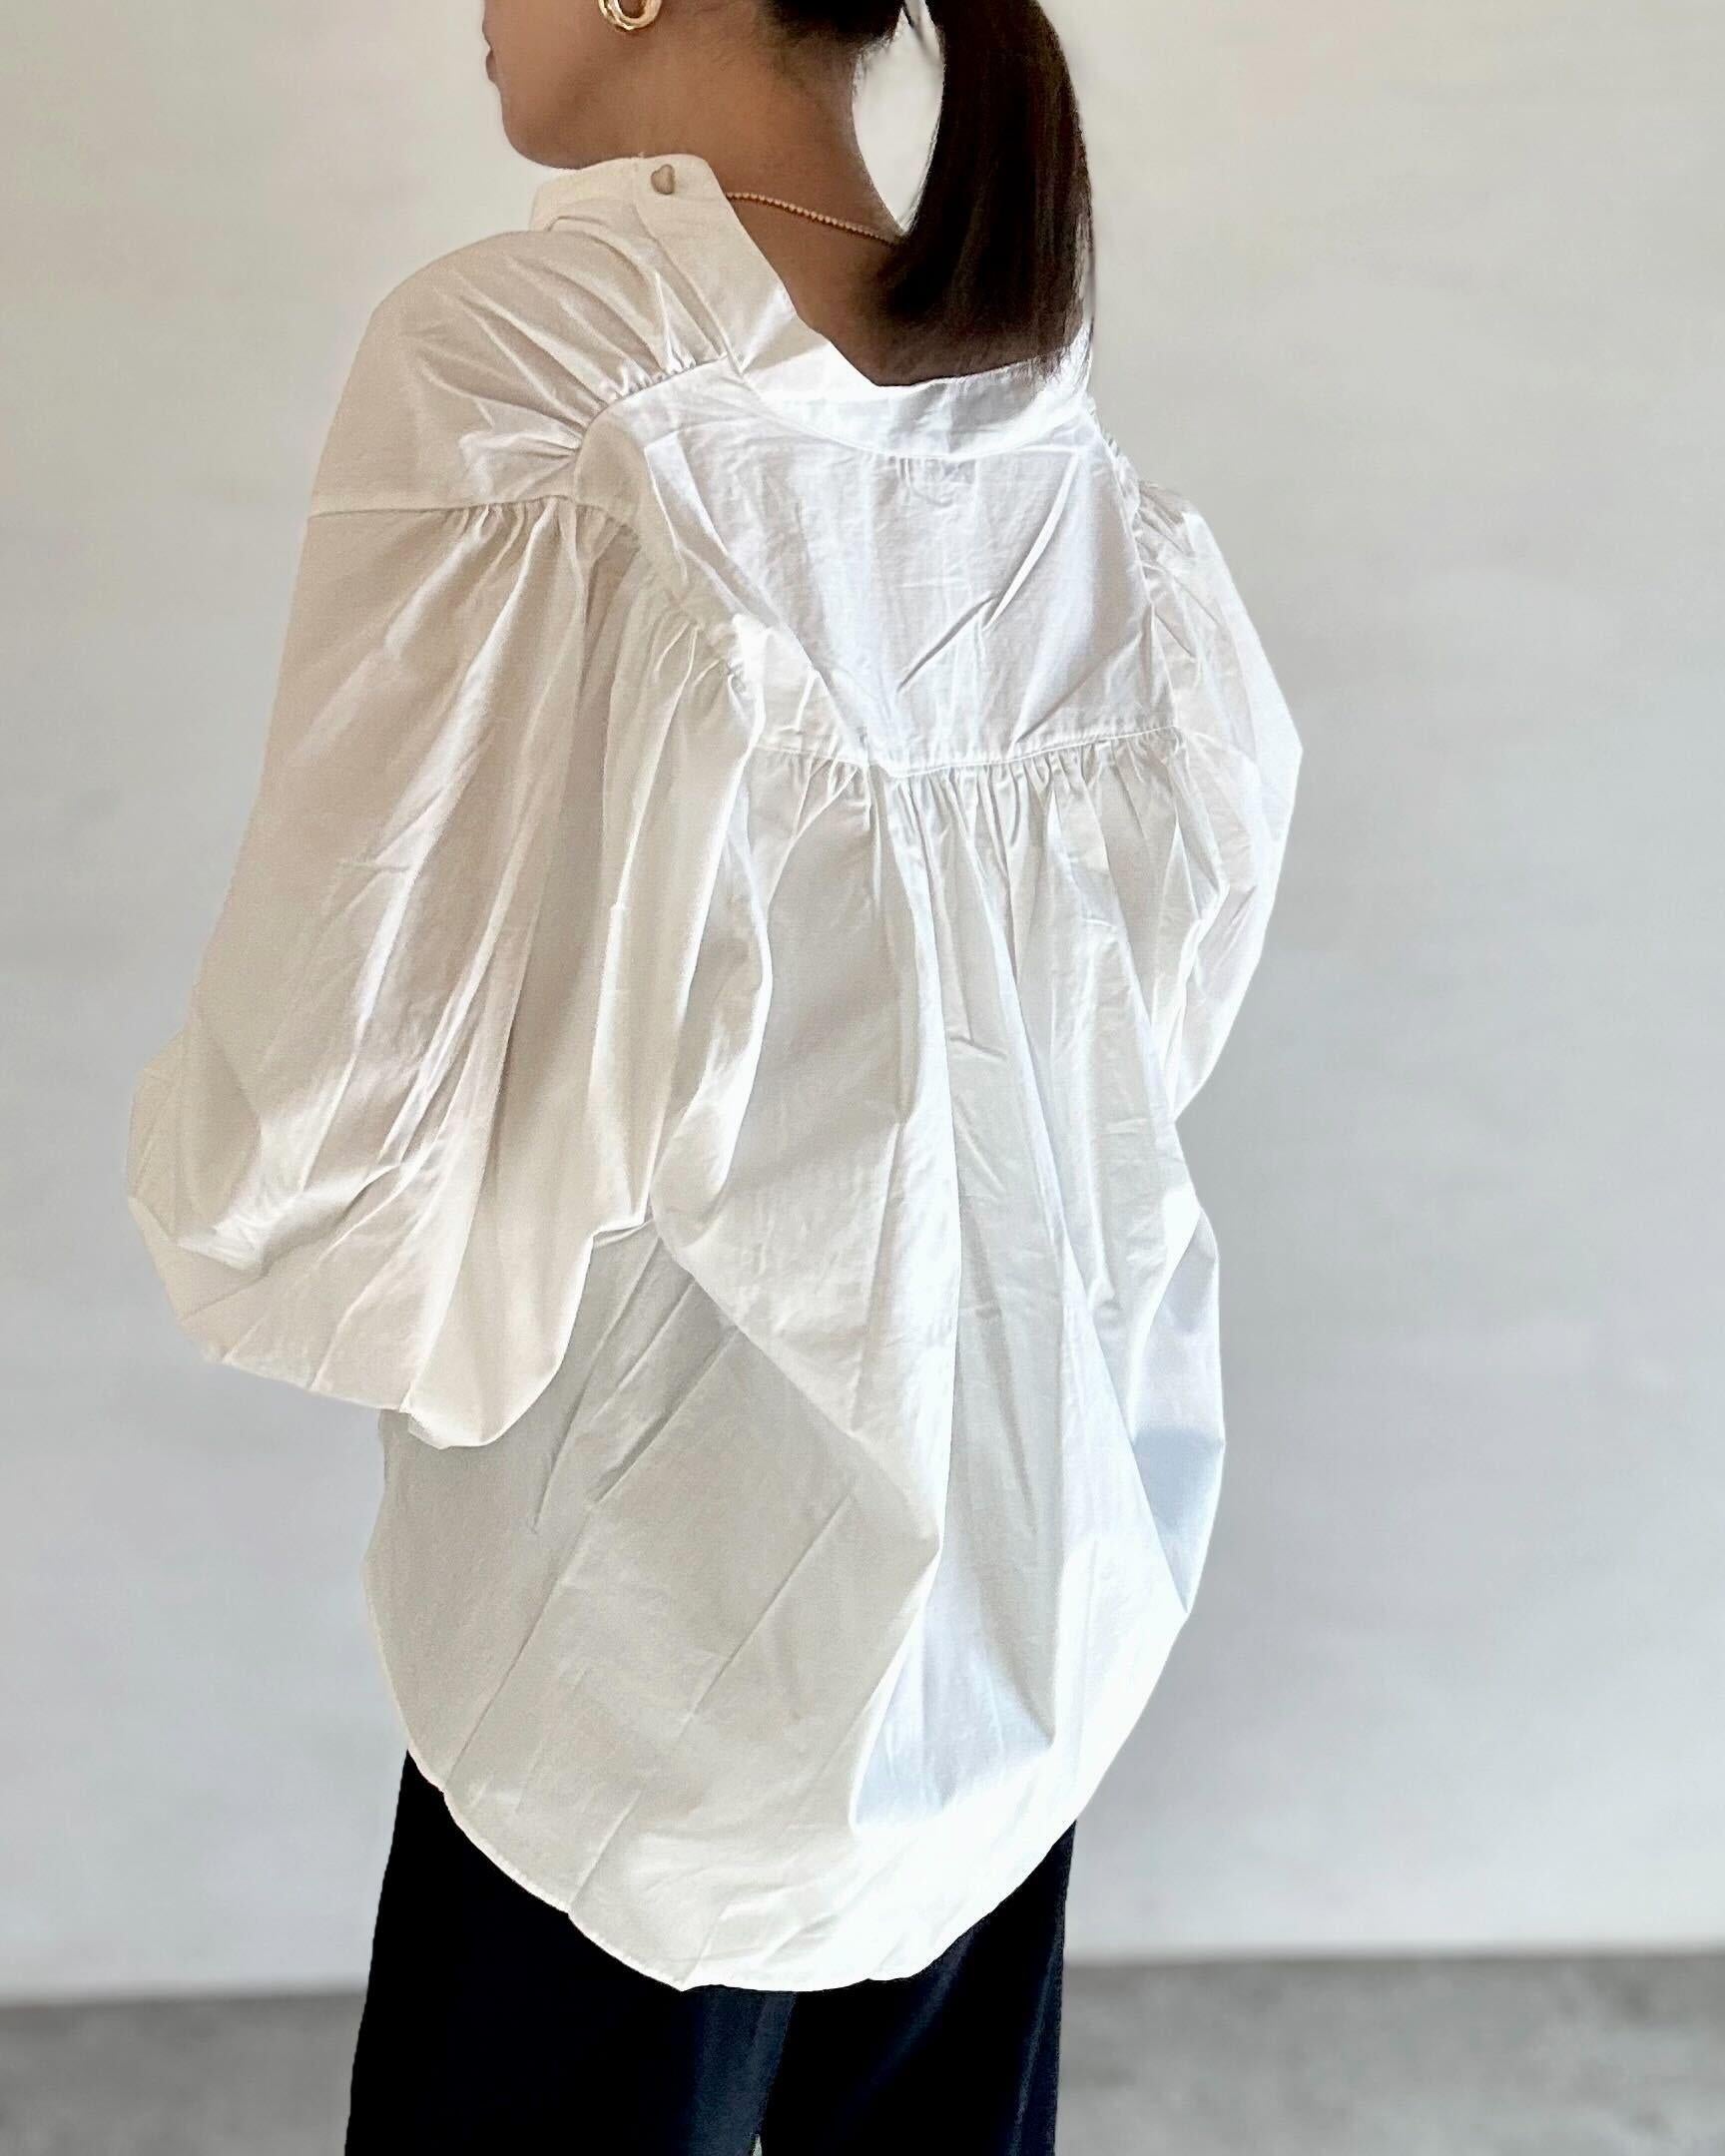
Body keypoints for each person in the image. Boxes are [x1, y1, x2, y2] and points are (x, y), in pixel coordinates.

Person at [123, 0, 1303, 2147]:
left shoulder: (530, 370)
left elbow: (339, 1078)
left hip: (642, 1615)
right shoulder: (1028, 397)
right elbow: (1147, 1017)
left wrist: (302, 1248)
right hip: (1030, 1573)